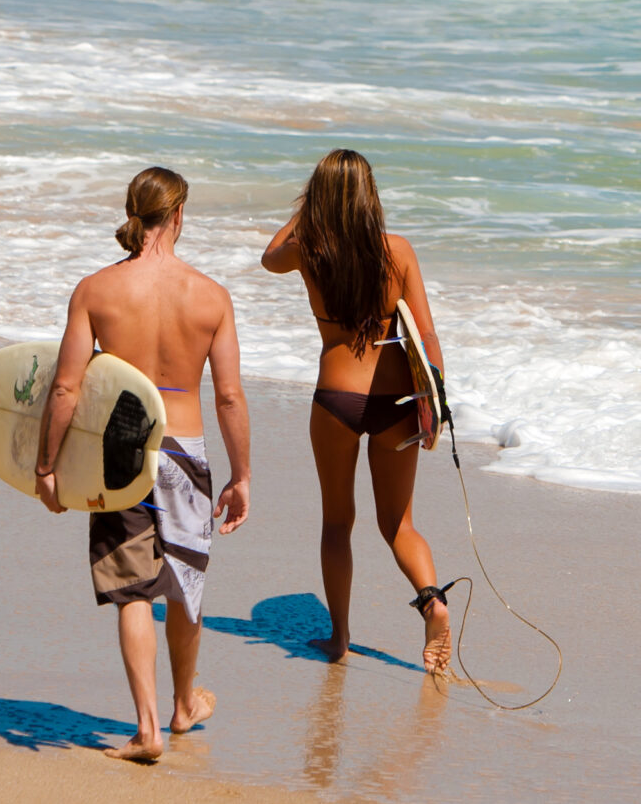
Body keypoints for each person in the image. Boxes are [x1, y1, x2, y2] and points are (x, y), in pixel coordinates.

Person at [36, 167, 252, 765]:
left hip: (121, 448)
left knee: (133, 590)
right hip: (185, 447)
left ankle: (150, 728)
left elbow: (65, 388)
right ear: (179, 215)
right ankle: (185, 704)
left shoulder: (95, 291)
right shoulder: (210, 297)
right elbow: (229, 396)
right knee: (185, 583)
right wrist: (241, 475)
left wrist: (46, 465)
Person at [261, 148, 453, 675]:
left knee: (337, 523)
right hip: (396, 402)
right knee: (398, 524)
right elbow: (428, 333)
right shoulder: (399, 252)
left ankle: (340, 638)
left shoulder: (309, 250)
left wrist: (309, 208)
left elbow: (268, 256)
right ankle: (432, 600)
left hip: (337, 400)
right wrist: (435, 402)